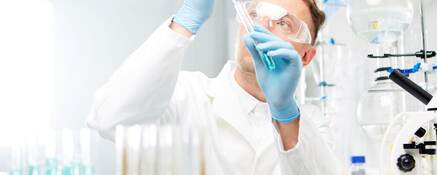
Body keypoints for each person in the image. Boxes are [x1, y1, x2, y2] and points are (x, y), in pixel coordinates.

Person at [87, 0, 344, 174]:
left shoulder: (312, 124)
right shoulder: (185, 95)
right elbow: (110, 120)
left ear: (306, 57)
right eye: (254, 15)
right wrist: (185, 22)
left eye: (283, 23)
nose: (263, 27)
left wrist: (285, 111)